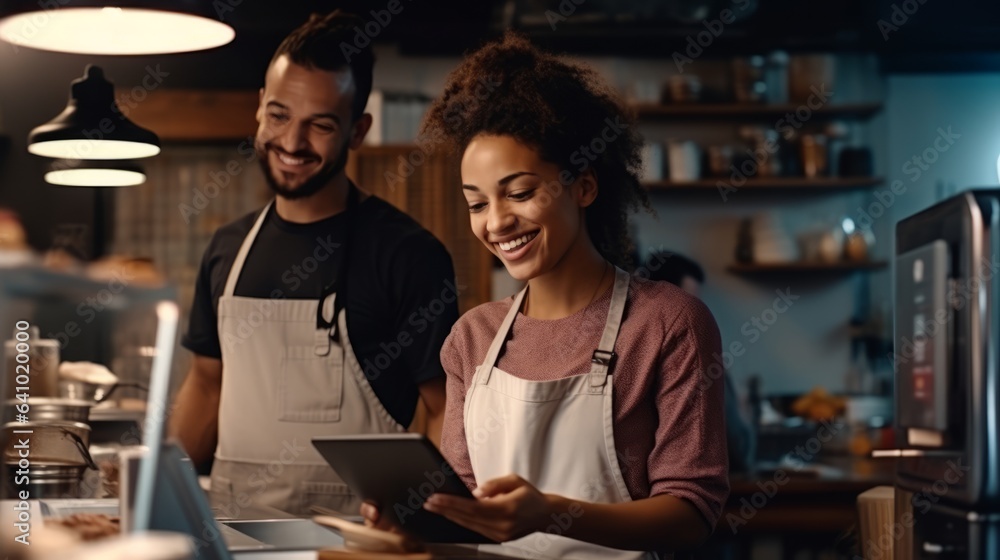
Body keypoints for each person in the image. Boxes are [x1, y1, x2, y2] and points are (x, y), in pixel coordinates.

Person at [363, 32, 729, 558]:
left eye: (519, 193)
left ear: (583, 186)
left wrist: (554, 515)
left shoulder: (669, 322)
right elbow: (466, 518)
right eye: (476, 203)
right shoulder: (473, 338)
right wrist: (415, 530)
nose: (496, 222)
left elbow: (692, 513)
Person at [169, 11, 457, 517]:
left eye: (320, 125)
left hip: (354, 540)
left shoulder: (409, 255)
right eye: (279, 116)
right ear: (260, 108)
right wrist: (156, 484)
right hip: (232, 532)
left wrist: (416, 520)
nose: (293, 143)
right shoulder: (227, 249)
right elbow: (206, 383)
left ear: (357, 130)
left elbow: (443, 409)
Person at [643, 251, 755, 473]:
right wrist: (742, 404)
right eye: (691, 305)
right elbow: (738, 449)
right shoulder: (701, 363)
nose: (697, 315)